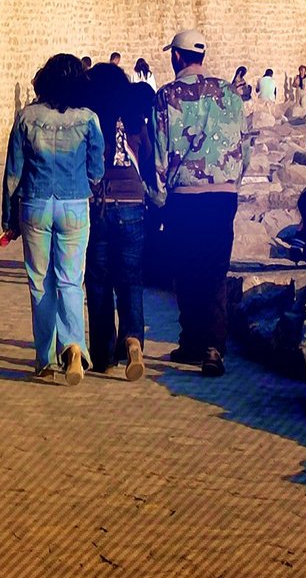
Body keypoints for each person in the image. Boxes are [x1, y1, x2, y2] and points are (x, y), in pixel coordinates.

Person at [151, 31, 248, 379]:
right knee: (214, 271)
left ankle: (191, 341)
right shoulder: (229, 94)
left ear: (177, 57)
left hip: (184, 197)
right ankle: (213, 348)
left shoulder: (166, 96)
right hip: (223, 196)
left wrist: (158, 199)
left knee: (186, 269)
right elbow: (244, 147)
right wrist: (232, 183)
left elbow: (159, 152)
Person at [3, 54, 104, 384]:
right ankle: (74, 346)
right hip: (74, 204)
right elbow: (97, 169)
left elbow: (13, 174)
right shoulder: (89, 119)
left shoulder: (26, 117)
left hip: (36, 203)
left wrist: (8, 219)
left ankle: (44, 357)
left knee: (40, 281)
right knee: (71, 280)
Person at [85, 63, 155, 382]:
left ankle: (102, 356)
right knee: (131, 279)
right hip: (133, 203)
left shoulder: (90, 119)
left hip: (99, 205)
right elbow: (150, 160)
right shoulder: (135, 118)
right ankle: (133, 342)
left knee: (98, 280)